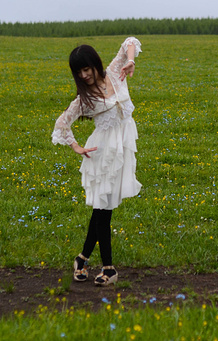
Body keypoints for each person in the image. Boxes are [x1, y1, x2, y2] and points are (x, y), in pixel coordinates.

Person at [52, 37, 142, 286]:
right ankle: (108, 268)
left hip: (120, 150)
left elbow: (129, 42)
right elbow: (61, 124)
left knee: (103, 209)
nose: (84, 75)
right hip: (101, 154)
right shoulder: (84, 100)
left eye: (87, 68)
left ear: (95, 64)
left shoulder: (114, 72)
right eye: (78, 72)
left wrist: (131, 60)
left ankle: (81, 259)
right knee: (103, 209)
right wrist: (76, 146)